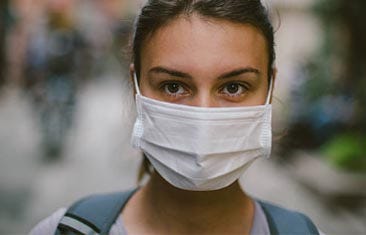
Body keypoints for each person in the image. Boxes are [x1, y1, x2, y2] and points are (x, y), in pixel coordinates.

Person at [30, 0, 323, 234]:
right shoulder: (64, 231)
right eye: (174, 87)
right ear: (137, 87)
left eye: (233, 87)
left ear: (269, 89)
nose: (202, 115)